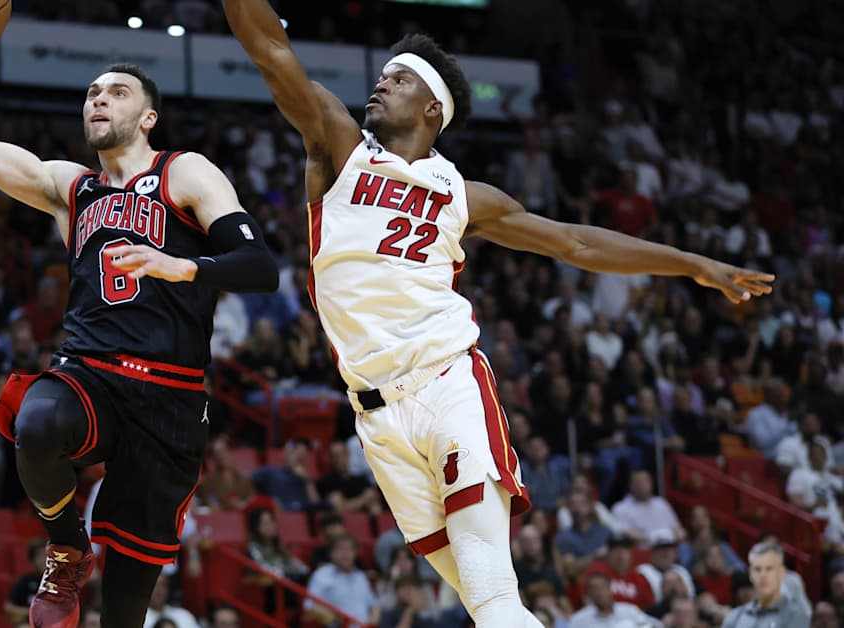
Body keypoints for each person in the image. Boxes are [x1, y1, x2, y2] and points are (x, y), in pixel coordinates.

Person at [219, 3, 774, 627]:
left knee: (489, 590)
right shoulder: (339, 147)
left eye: (399, 79)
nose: (381, 84)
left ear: (433, 108)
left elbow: (576, 243)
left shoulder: (464, 196)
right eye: (383, 76)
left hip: (447, 383)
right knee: (491, 605)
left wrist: (690, 264)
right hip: (374, 414)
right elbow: (271, 50)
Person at [0, 39, 278, 626]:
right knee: (35, 422)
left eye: (117, 93)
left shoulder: (183, 171)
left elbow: (259, 267)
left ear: (147, 118)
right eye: (93, 93)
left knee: (124, 610)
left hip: (170, 395)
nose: (99, 99)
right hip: (89, 371)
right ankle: (68, 548)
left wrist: (181, 265)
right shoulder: (71, 188)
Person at [721, 542, 811, 627]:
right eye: (757, 569)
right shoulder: (734, 617)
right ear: (750, 574)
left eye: (769, 569)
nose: (763, 575)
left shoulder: (797, 615)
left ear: (782, 572)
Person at [569, 572, 662, 628]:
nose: (599, 592)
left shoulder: (629, 611)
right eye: (594, 589)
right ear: (588, 594)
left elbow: (655, 625)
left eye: (602, 587)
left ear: (610, 589)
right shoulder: (579, 620)